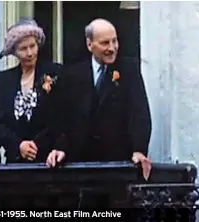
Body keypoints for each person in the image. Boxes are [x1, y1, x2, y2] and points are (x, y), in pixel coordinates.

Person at [46, 18, 152, 180]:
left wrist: (139, 150)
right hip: (80, 164)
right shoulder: (73, 74)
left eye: (114, 41)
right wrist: (60, 148)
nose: (112, 48)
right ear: (90, 44)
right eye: (105, 43)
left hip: (117, 164)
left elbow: (139, 114)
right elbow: (62, 117)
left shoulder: (129, 70)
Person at [0, 18, 62, 163]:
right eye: (23, 49)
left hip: (48, 161)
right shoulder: (5, 79)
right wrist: (19, 145)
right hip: (15, 162)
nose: (30, 53)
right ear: (14, 52)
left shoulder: (55, 72)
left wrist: (37, 146)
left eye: (32, 46)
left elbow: (61, 118)